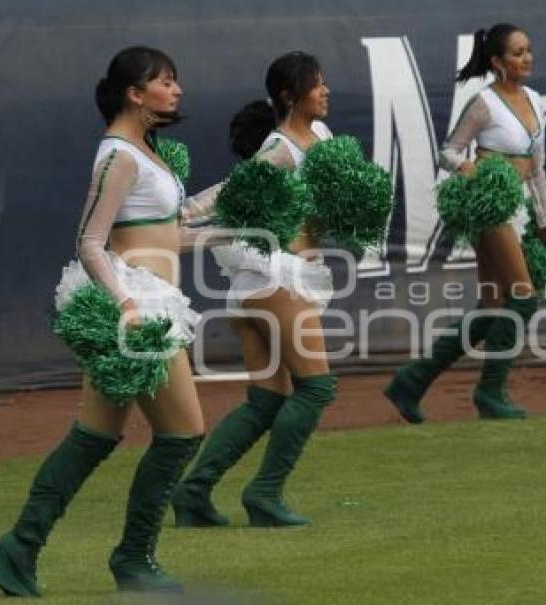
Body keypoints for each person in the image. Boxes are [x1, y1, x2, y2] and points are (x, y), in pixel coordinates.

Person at [0, 47, 208, 596]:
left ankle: (19, 548)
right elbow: (89, 242)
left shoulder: (144, 150)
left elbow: (168, 233)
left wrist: (240, 230)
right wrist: (127, 308)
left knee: (94, 436)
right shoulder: (117, 155)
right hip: (136, 308)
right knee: (182, 434)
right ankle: (133, 559)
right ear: (135, 93)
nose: (176, 90)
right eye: (165, 81)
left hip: (151, 300)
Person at [172, 51, 337, 529]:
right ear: (290, 95)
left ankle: (194, 492)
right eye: (316, 84)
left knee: (268, 398)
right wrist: (177, 220)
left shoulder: (320, 136)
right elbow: (235, 190)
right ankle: (264, 492)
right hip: (275, 276)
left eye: (325, 82)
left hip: (261, 283)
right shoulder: (281, 148)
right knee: (316, 387)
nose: (325, 90)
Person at [384, 23, 546, 423]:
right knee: (523, 297)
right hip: (491, 207)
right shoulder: (484, 103)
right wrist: (475, 172)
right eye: (516, 52)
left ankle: (411, 381)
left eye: (528, 50)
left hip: (521, 206)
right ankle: (490, 393)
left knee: (493, 307)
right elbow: (449, 152)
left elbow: (537, 168)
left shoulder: (534, 98)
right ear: (497, 62)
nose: (526, 58)